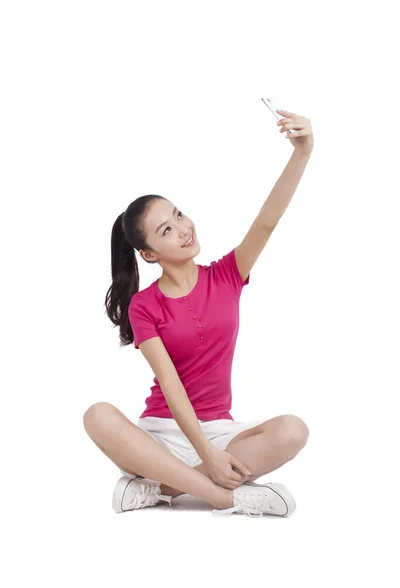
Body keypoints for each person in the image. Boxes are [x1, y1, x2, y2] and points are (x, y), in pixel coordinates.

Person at [83, 110, 313, 518]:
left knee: (293, 430)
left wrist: (302, 152)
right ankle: (228, 497)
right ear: (149, 254)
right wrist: (206, 455)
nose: (183, 227)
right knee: (97, 415)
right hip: (160, 437)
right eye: (166, 230)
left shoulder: (226, 275)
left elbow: (267, 222)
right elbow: (171, 387)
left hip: (221, 432)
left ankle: (157, 488)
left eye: (178, 215)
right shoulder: (144, 306)